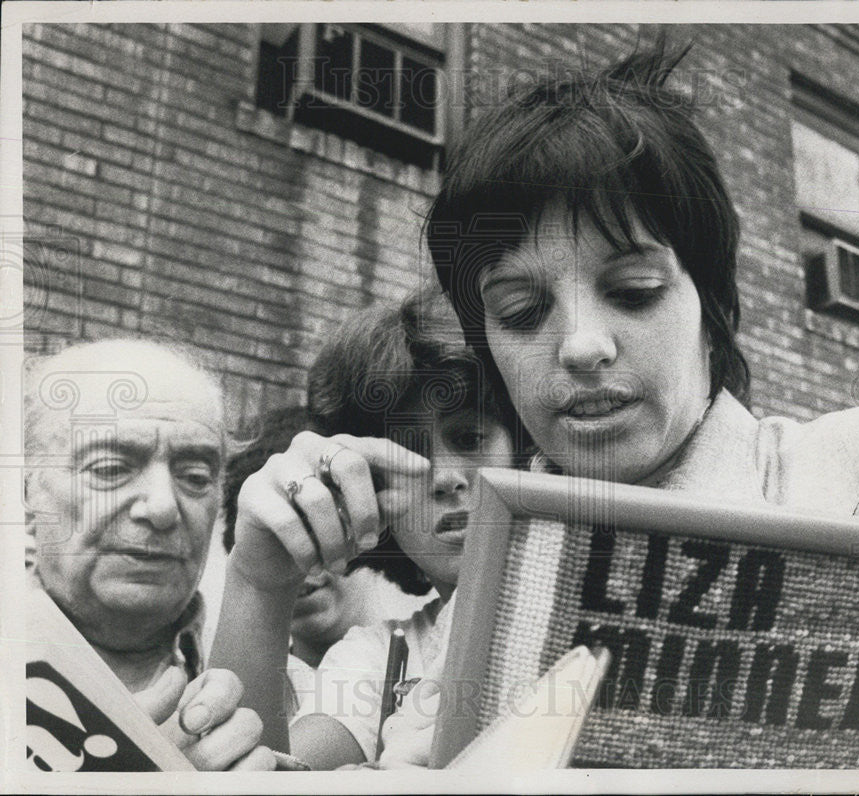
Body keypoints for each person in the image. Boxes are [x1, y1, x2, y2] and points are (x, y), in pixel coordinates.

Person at [424, 46, 859, 526]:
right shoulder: (457, 595)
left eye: (634, 291)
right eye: (521, 312)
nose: (582, 346)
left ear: (710, 309)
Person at [209, 292, 516, 769]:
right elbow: (260, 775)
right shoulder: (375, 657)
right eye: (405, 453)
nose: (446, 476)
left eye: (470, 438)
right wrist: (258, 581)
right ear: (366, 490)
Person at [24, 338, 274, 770]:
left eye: (195, 476)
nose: (162, 506)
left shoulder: (283, 689)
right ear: (26, 494)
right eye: (109, 469)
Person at [219, 405, 431, 668]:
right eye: (276, 532)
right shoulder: (235, 674)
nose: (299, 553)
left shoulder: (429, 662)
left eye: (319, 522)